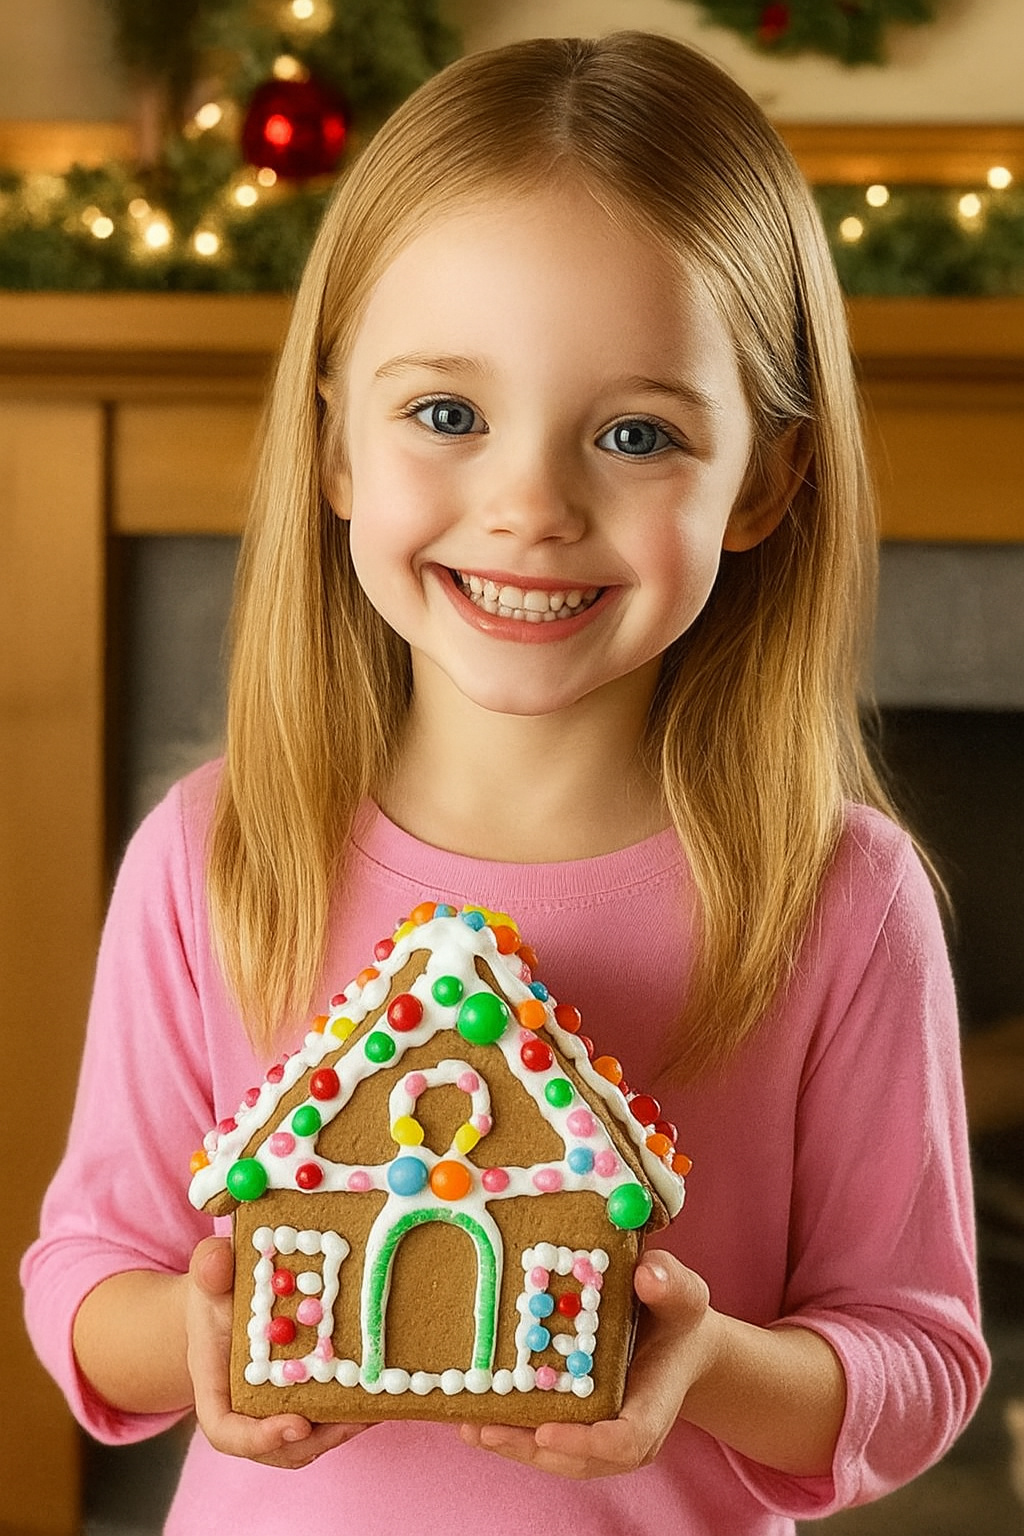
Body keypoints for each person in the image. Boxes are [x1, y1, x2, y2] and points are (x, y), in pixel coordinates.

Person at [22, 30, 989, 1535]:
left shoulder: (838, 898)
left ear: (766, 483)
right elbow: (85, 1275)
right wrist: (199, 1338)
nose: (532, 506)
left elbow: (919, 1359)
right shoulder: (218, 851)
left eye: (636, 433)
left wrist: (706, 1362)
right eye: (449, 415)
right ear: (337, 441)